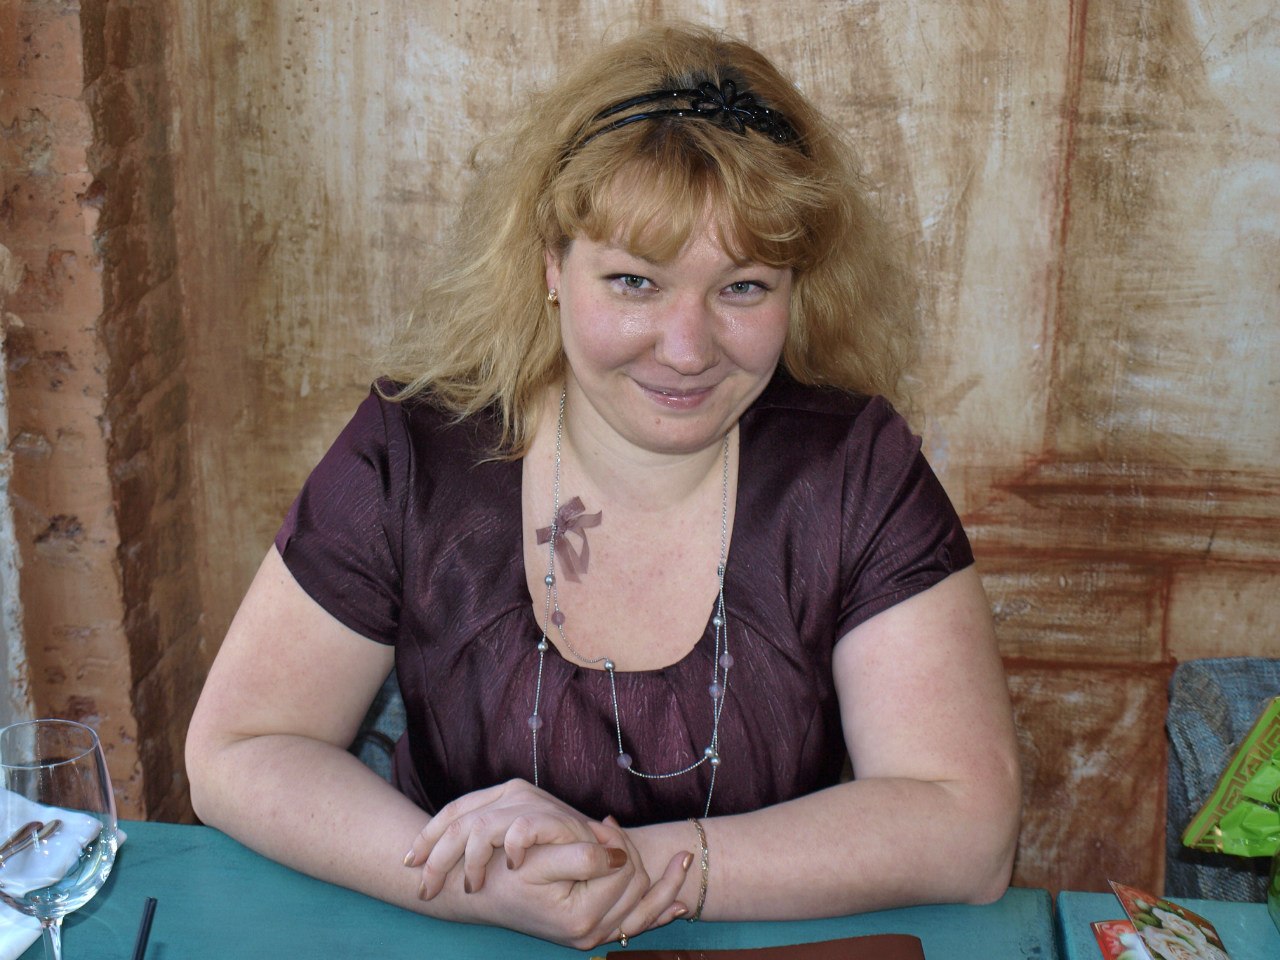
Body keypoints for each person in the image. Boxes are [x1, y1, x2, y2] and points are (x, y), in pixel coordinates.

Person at [185, 20, 1021, 951]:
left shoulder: (856, 472)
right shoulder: (412, 453)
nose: (688, 348)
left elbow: (969, 827)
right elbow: (238, 749)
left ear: (799, 287)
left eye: (743, 288)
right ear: (551, 266)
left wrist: (626, 867)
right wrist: (471, 886)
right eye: (634, 282)